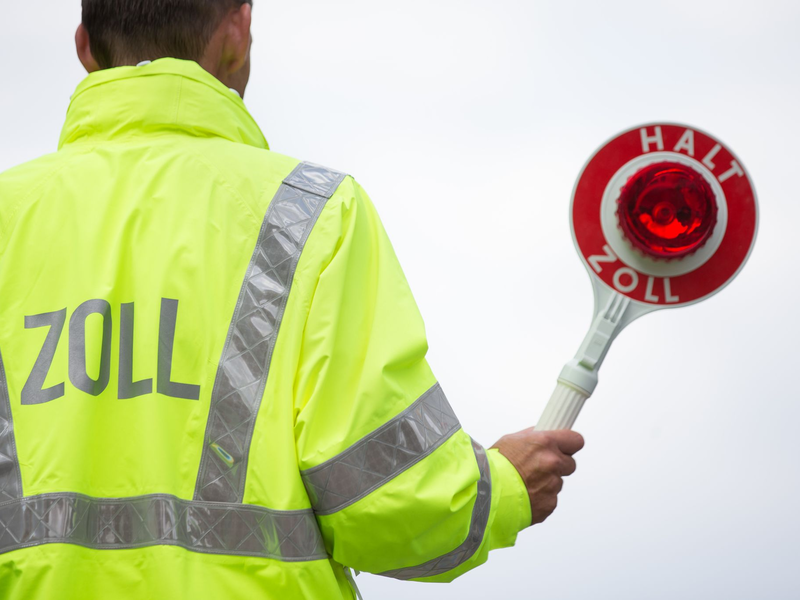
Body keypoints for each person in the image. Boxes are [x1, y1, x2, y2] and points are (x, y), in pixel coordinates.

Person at [0, 1, 584, 598]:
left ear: (85, 50)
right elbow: (387, 507)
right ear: (238, 30)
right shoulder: (310, 214)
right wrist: (503, 488)